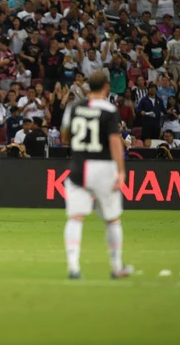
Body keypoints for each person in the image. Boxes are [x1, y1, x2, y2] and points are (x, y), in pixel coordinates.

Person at [60, 70, 132, 280]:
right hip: (103, 168)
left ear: (88, 86)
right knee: (112, 220)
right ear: (107, 87)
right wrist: (121, 171)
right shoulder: (109, 110)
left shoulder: (74, 108)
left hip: (79, 166)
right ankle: (116, 266)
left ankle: (73, 267)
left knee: (75, 218)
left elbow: (65, 136)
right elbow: (114, 141)